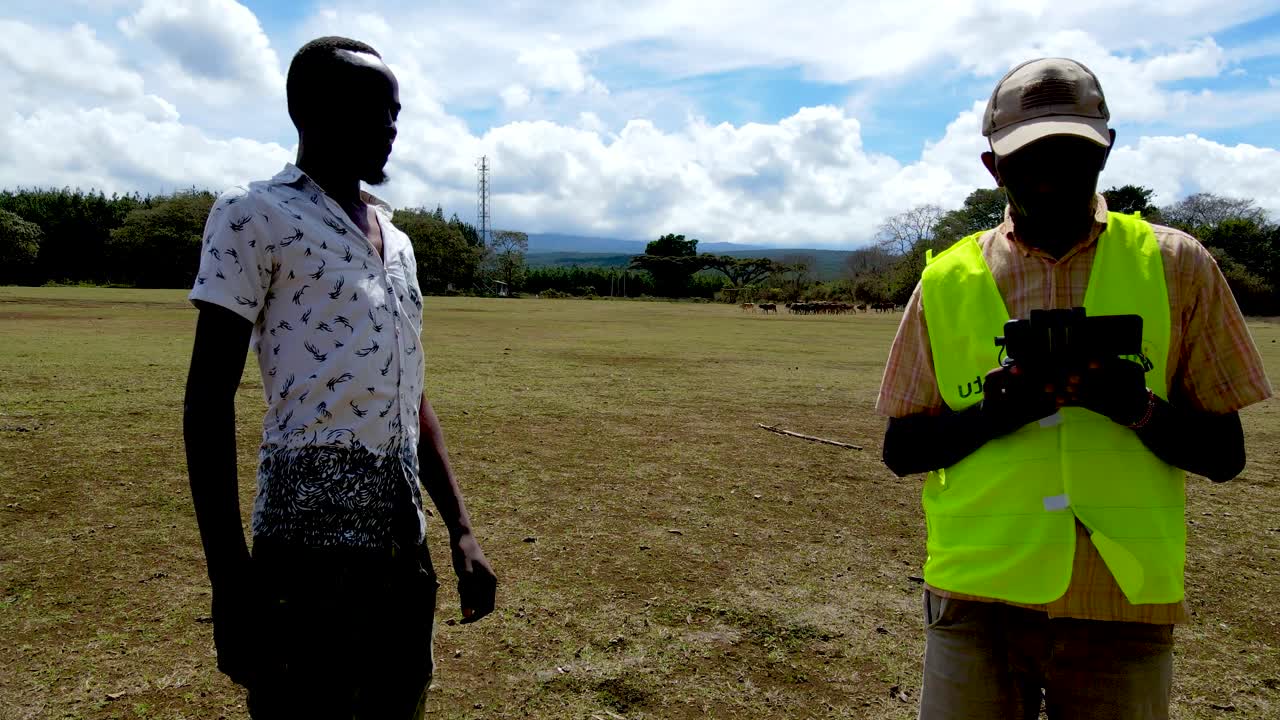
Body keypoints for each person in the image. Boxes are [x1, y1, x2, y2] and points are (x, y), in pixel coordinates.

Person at [877, 57, 1272, 720]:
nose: (1054, 173)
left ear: (1108, 149)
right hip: (978, 605)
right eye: (1031, 156)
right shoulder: (945, 280)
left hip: (1121, 606)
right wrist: (995, 414)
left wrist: (1135, 408)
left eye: (1075, 152)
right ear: (992, 166)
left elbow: (1225, 454)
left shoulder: (1179, 267)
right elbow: (901, 448)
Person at [182, 36, 497, 719]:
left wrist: (461, 530)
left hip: (402, 555)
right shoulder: (254, 214)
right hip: (304, 559)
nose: (392, 128)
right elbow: (207, 401)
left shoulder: (399, 242)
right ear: (311, 112)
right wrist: (232, 581)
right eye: (374, 109)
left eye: (396, 112)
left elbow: (409, 393)